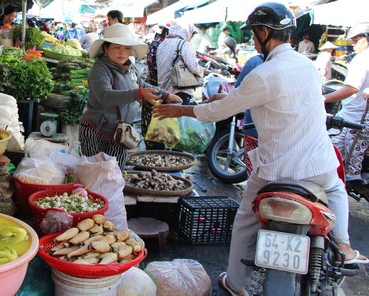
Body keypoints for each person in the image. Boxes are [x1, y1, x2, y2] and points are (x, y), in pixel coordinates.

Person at [152, 3, 368, 295]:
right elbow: (271, 99)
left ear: (265, 32)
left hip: (276, 170)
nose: (253, 41)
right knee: (336, 189)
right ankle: (343, 245)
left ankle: (236, 282)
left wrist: (183, 111)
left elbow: (222, 112)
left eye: (254, 34)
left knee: (245, 219)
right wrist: (225, 96)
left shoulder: (264, 73)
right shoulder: (307, 66)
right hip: (319, 166)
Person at [79, 24, 182, 170]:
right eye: (116, 47)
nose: (122, 52)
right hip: (96, 129)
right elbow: (105, 96)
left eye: (126, 48)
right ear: (106, 49)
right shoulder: (100, 69)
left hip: (120, 132)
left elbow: (141, 84)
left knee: (115, 170)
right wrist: (138, 94)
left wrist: (165, 95)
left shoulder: (130, 67)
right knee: (94, 171)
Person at [325, 22, 369, 181]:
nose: (354, 45)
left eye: (356, 41)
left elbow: (351, 88)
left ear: (365, 39)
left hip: (355, 117)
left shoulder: (362, 59)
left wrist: (323, 99)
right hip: (355, 113)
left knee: (336, 160)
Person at [156, 19, 203, 106]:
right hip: (178, 91)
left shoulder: (162, 44)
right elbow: (194, 67)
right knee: (180, 119)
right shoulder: (183, 44)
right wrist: (201, 71)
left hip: (164, 92)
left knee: (167, 118)